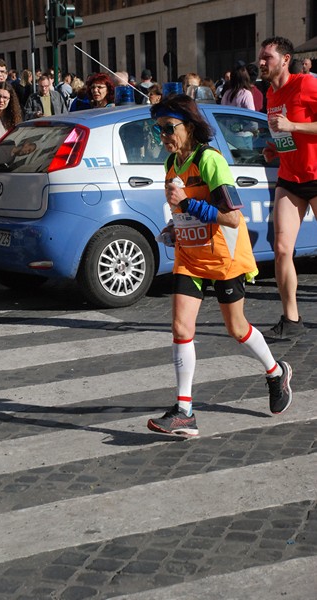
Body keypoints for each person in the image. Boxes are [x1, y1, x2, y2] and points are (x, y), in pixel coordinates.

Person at [146, 93, 292, 437]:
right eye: (157, 130)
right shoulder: (171, 165)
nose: (163, 136)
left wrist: (188, 205)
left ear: (190, 126)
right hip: (190, 258)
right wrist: (174, 226)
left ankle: (275, 372)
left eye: (168, 128)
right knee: (181, 329)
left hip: (224, 257)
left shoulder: (210, 160)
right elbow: (184, 210)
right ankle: (184, 411)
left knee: (236, 328)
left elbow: (231, 218)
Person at [258, 36, 317, 340]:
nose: (261, 61)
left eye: (267, 56)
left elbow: (294, 126)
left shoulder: (306, 83)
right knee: (281, 250)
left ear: (285, 59)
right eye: (261, 56)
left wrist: (293, 127)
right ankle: (291, 320)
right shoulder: (270, 93)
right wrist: (276, 150)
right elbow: (285, 136)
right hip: (290, 179)